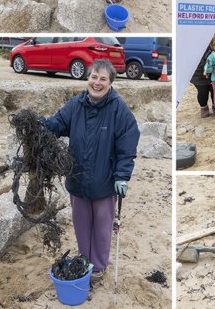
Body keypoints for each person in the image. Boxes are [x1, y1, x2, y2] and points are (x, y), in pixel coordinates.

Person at [43, 59, 140, 287]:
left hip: (105, 183)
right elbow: (56, 123)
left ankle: (97, 267)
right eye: (94, 77)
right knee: (81, 224)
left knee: (103, 227)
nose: (97, 83)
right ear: (88, 79)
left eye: (103, 79)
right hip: (77, 180)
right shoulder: (75, 104)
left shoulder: (118, 109)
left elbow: (127, 145)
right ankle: (84, 262)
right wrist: (40, 125)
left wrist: (122, 176)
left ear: (110, 83)